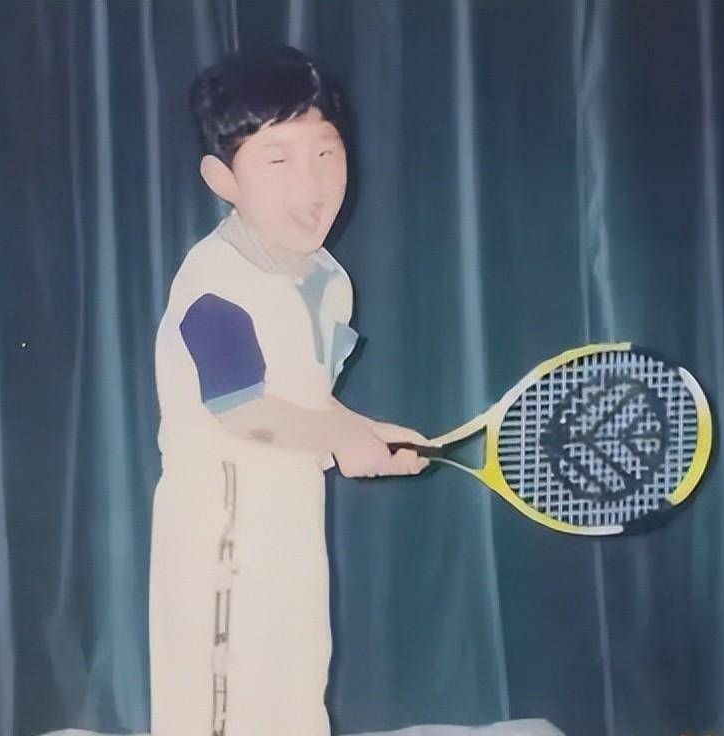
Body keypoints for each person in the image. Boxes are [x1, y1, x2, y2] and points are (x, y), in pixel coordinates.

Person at [149, 45, 428, 735]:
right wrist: (343, 438)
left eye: (326, 153)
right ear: (223, 178)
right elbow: (242, 408)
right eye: (278, 160)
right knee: (218, 698)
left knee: (298, 681)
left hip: (293, 519)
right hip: (219, 530)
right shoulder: (214, 283)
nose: (312, 181)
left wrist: (370, 434)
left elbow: (306, 398)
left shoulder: (328, 279)